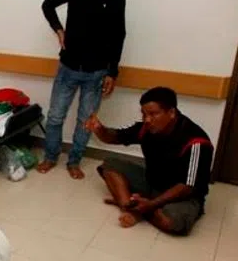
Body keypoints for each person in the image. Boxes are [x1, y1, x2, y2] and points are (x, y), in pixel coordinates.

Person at [38, 0, 127, 179]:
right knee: (55, 116)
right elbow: (47, 5)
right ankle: (50, 156)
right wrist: (58, 30)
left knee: (85, 120)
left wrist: (112, 72)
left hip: (97, 72)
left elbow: (119, 36)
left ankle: (74, 161)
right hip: (68, 67)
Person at [85, 87, 212, 235]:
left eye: (153, 114)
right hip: (152, 182)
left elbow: (187, 187)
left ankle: (134, 207)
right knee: (110, 165)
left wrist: (151, 204)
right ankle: (132, 206)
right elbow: (114, 137)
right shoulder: (146, 128)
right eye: (144, 114)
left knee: (172, 222)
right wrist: (99, 129)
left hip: (182, 195)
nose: (147, 119)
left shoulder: (196, 141)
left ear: (171, 112)